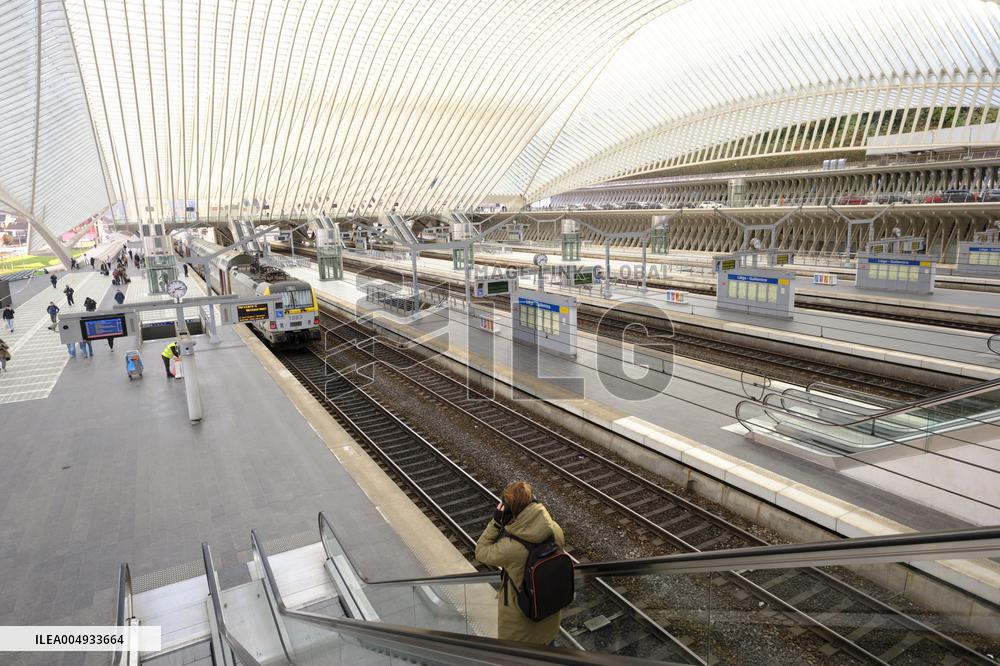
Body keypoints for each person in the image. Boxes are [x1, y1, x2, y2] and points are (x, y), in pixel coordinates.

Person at [475, 482, 566, 646]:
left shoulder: (510, 548)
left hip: (520, 627)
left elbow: (481, 552)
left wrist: (496, 522)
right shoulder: (555, 530)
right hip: (550, 615)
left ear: (510, 512)